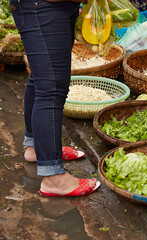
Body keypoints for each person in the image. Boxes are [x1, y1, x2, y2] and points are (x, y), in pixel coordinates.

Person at [11, 0, 100, 196]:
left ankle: (36, 149)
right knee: (51, 88)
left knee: (40, 78)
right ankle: (54, 178)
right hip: (43, 7)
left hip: (56, 7)